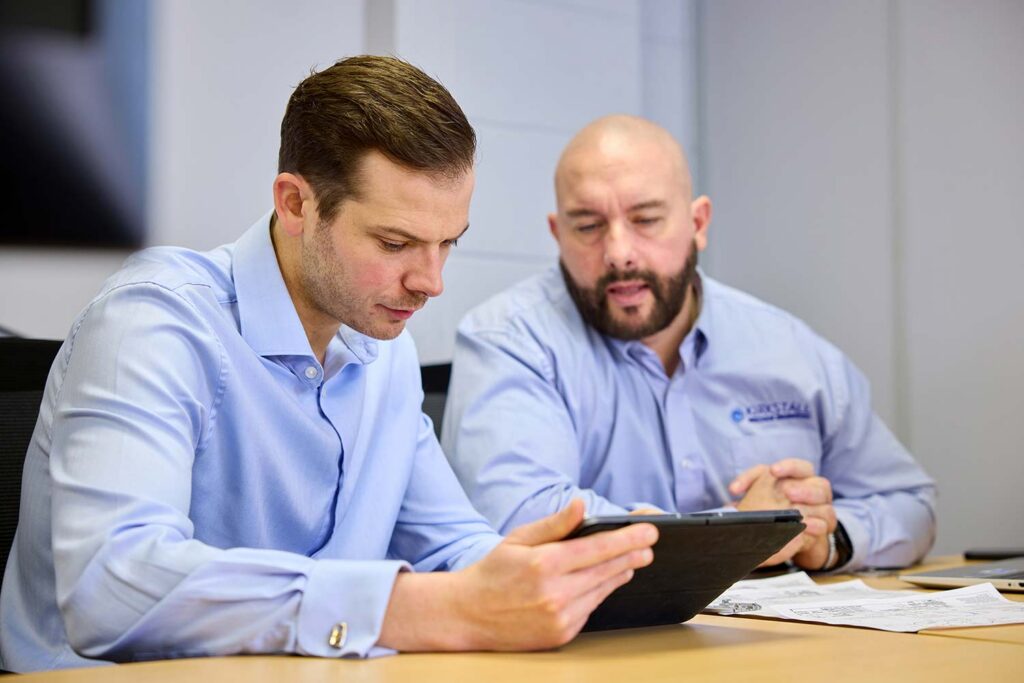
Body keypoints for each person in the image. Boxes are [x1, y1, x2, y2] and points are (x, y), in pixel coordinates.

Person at [0, 58, 658, 673]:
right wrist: (405, 607)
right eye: (396, 242)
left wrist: (597, 567)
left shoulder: (384, 352)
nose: (432, 282)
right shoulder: (153, 322)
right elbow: (110, 586)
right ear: (295, 204)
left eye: (447, 244)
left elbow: (455, 548)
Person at [442, 114, 936, 573]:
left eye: (646, 219)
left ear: (697, 224)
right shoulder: (509, 339)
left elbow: (909, 503)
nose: (619, 252)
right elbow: (522, 518)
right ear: (558, 234)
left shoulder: (787, 346)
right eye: (588, 226)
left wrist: (824, 541)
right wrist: (747, 533)